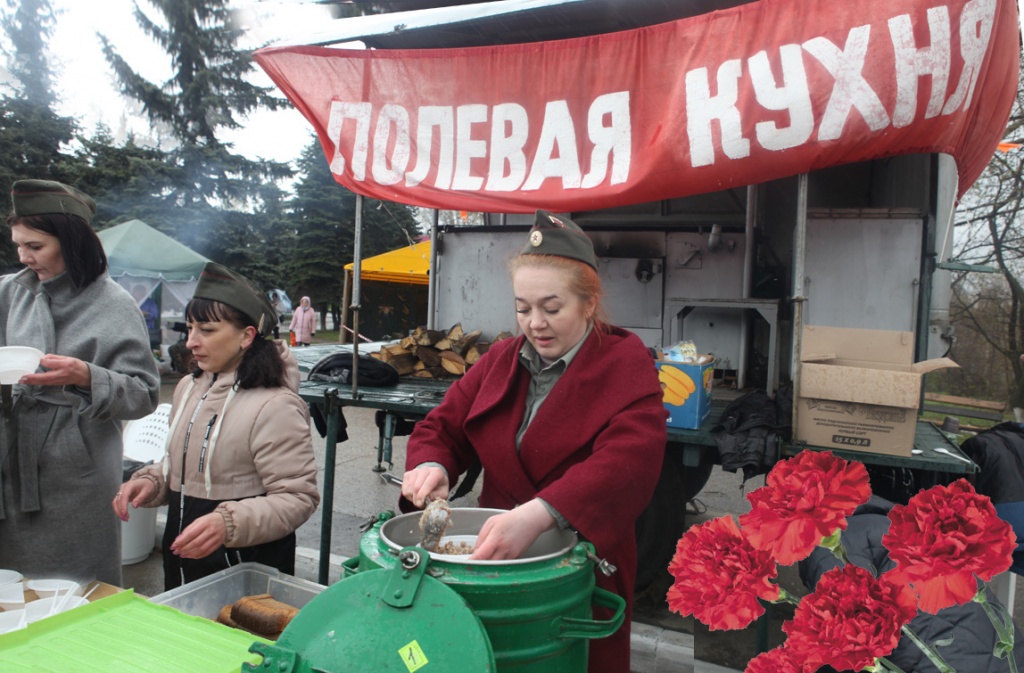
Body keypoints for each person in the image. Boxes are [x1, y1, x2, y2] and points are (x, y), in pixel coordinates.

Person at [399, 210, 667, 673]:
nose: (535, 324)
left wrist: (544, 512)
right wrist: (433, 465)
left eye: (552, 308)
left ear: (588, 303)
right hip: (492, 553)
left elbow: (630, 461)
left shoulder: (626, 363)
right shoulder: (500, 358)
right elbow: (443, 426)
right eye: (523, 308)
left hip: (577, 563)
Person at [113, 262, 320, 590]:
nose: (192, 342)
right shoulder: (188, 387)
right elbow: (181, 466)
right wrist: (154, 481)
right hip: (182, 562)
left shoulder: (275, 405)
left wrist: (228, 523)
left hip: (245, 570)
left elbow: (298, 497)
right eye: (190, 328)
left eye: (206, 330)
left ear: (246, 336)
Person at [0, 179, 161, 587]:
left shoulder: (113, 304)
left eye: (35, 247)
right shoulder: (10, 293)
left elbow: (144, 393)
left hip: (76, 474)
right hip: (11, 458)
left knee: (75, 586)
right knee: (13, 588)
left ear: (71, 241)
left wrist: (87, 376)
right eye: (18, 245)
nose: (24, 257)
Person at [132, 283, 161, 350]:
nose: (138, 293)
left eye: (141, 291)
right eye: (137, 291)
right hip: (132, 330)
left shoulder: (150, 302)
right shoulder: (132, 302)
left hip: (147, 331)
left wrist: (146, 314)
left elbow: (154, 315)